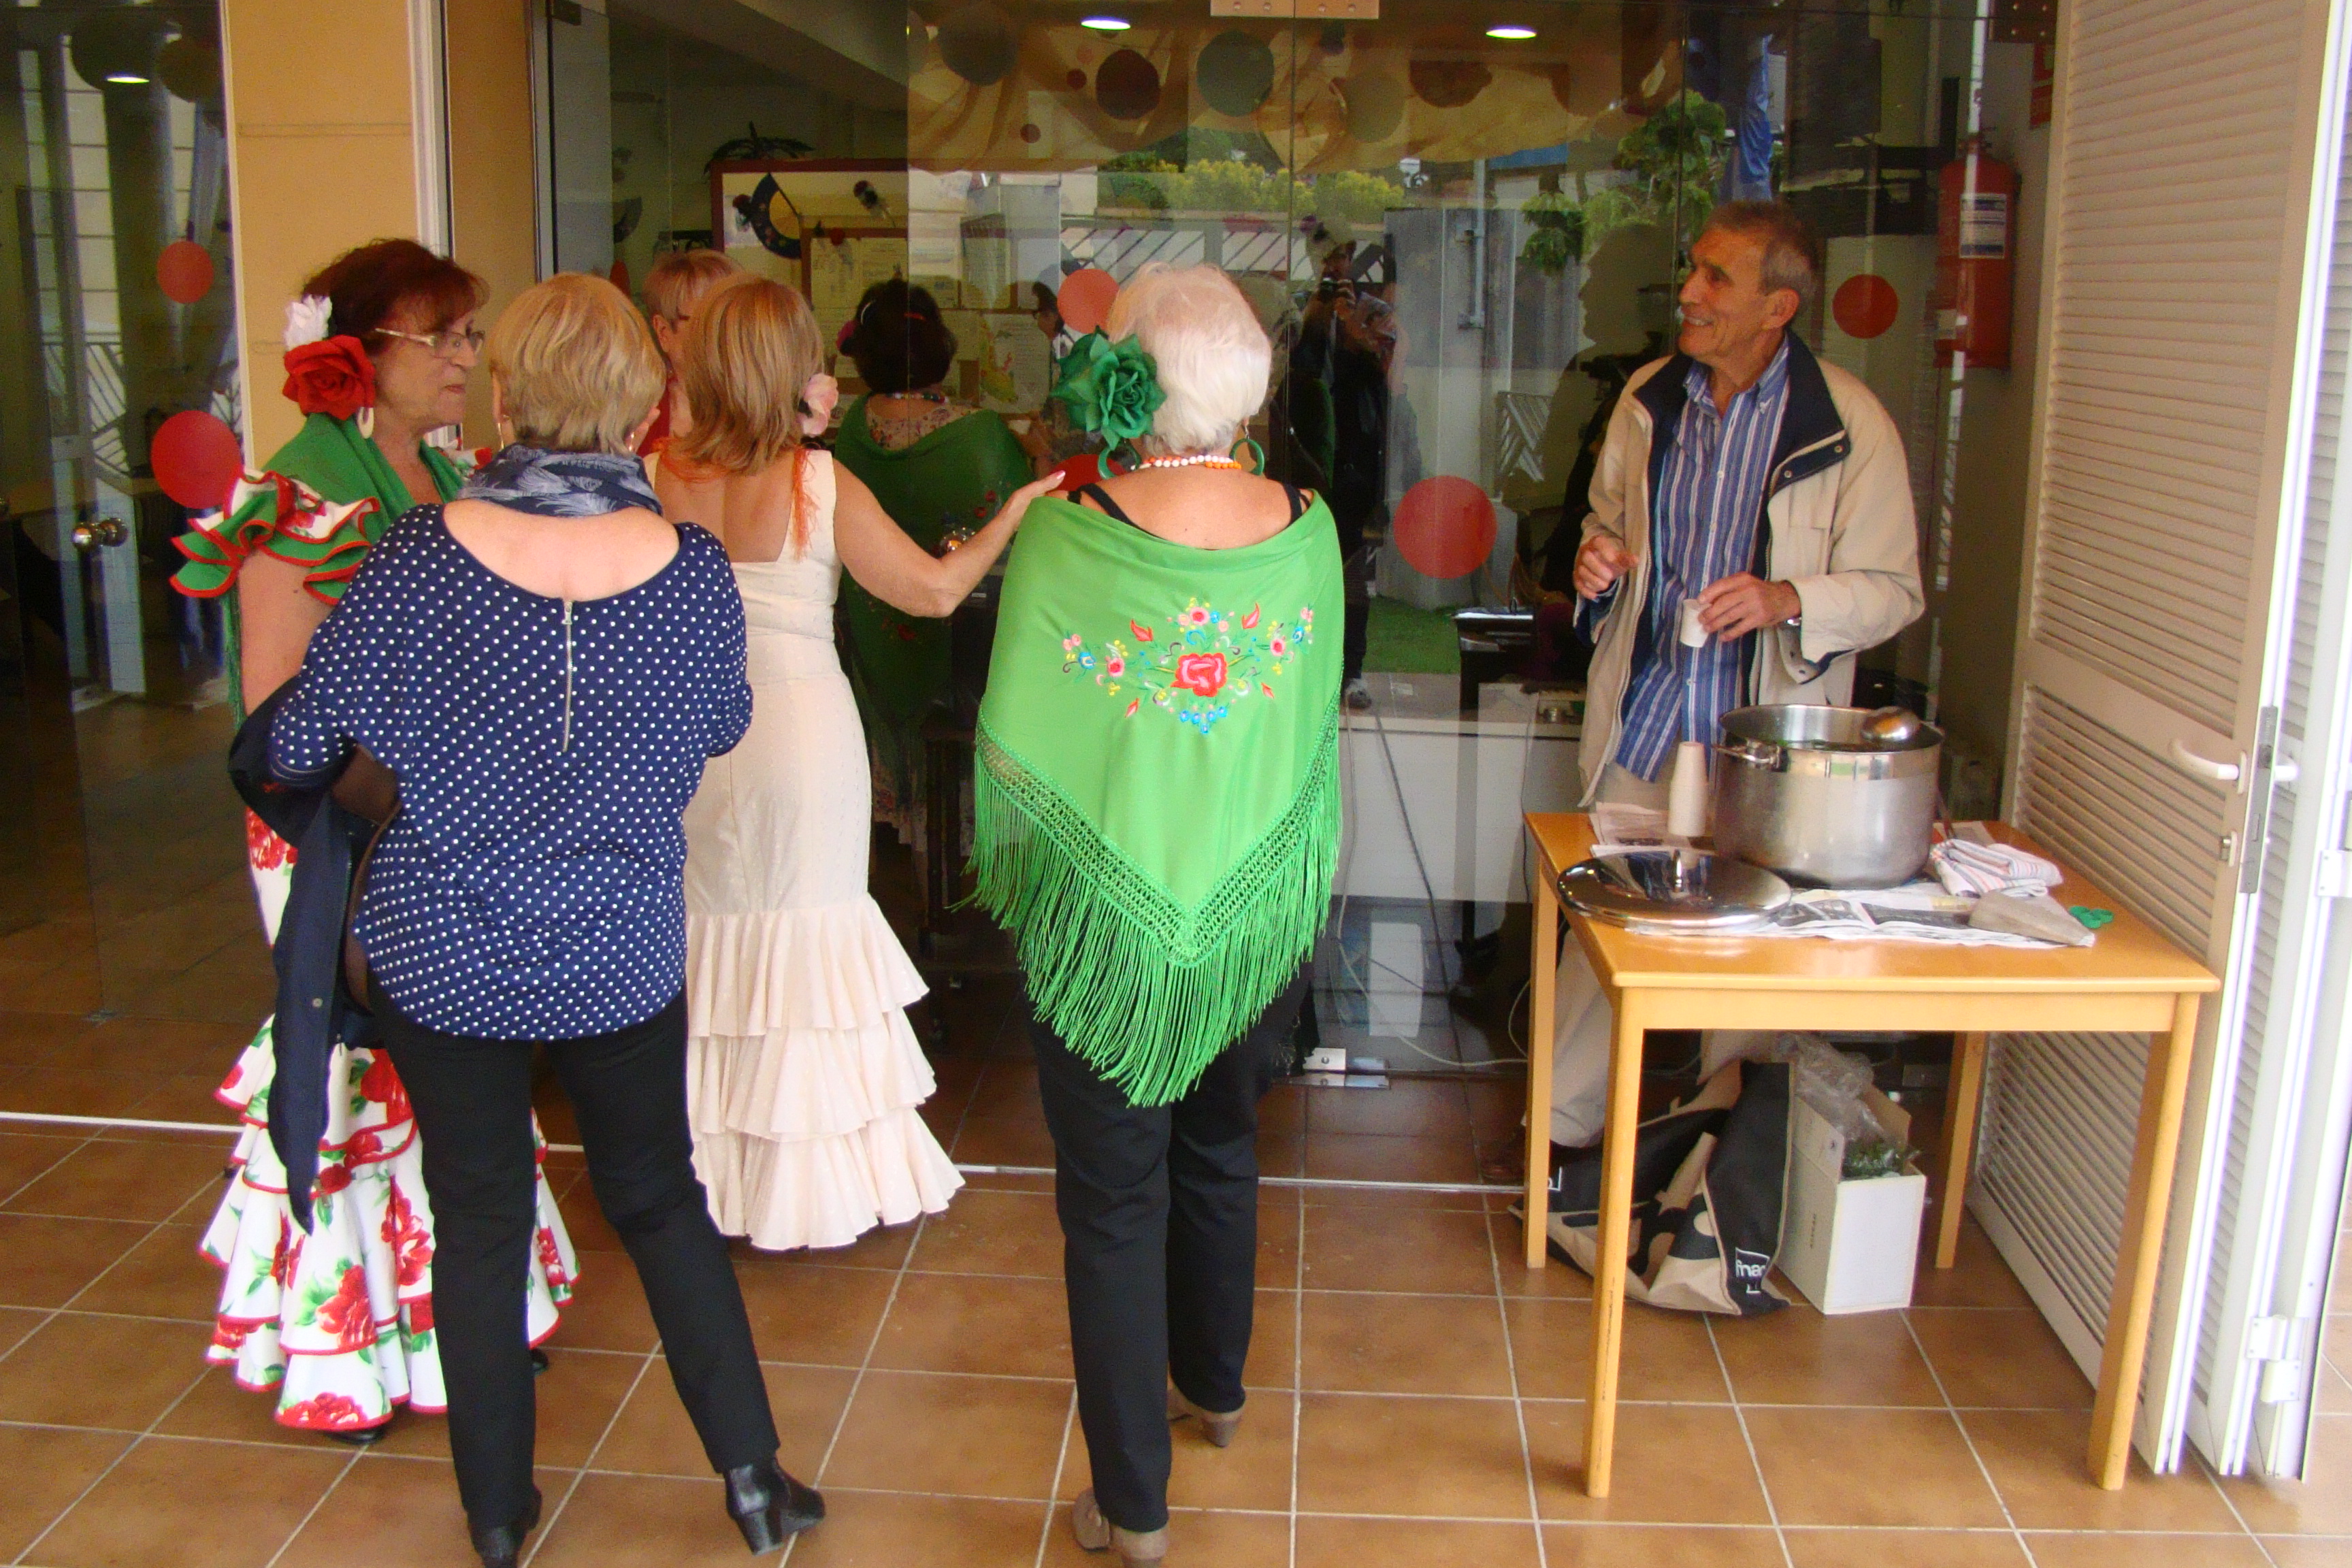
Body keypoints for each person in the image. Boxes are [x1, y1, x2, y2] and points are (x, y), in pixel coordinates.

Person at [268, 273, 822, 1566]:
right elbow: (720, 725)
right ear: (641, 408)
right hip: (618, 946)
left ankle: (498, 1517)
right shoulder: (689, 570)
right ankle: (754, 1481)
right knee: (661, 1199)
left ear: (507, 400)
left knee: (479, 1216)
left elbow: (300, 743)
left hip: (443, 944)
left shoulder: (418, 558)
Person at [168, 240, 577, 1439]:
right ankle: (353, 1353)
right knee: (361, 1068)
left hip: (444, 822)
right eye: (438, 337)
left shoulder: (453, 473)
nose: (463, 358)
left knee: (462, 1062)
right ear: (358, 352)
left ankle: (470, 1324)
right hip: (337, 830)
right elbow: (278, 715)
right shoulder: (299, 494)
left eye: (468, 335)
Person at [970, 264, 1344, 1567]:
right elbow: (1302, 718)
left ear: (1124, 379)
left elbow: (1018, 723)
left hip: (1107, 921)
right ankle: (1215, 1386)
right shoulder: (1309, 526)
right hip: (1254, 908)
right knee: (1224, 1144)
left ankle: (1133, 1502)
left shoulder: (1070, 528)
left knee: (1114, 1199)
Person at [657, 276, 1056, 1252]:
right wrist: (1013, 513)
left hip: (689, 735)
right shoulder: (815, 481)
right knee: (809, 935)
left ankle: (711, 1174)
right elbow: (934, 592)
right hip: (799, 733)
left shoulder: (656, 474)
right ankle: (812, 1183)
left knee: (711, 934)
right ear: (786, 371)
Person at [1548, 201, 1924, 1147]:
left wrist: (1788, 598)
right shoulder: (1650, 400)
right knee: (1608, 938)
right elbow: (1604, 524)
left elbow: (1894, 591)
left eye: (1718, 277)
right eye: (1694, 269)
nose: (1690, 292)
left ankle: (1709, 1165)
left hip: (1767, 753)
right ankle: (1559, 1139)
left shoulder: (1849, 423)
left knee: (1754, 963)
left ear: (1777, 307)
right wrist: (1598, 562)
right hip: (1647, 723)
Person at [830, 278, 1035, 843]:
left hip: (876, 630)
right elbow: (1023, 522)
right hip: (963, 644)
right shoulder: (979, 436)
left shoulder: (853, 429)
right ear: (938, 348)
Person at [638, 247, 742, 458]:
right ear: (663, 331)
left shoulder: (760, 406)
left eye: (732, 318)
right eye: (707, 320)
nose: (725, 332)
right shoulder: (637, 414)